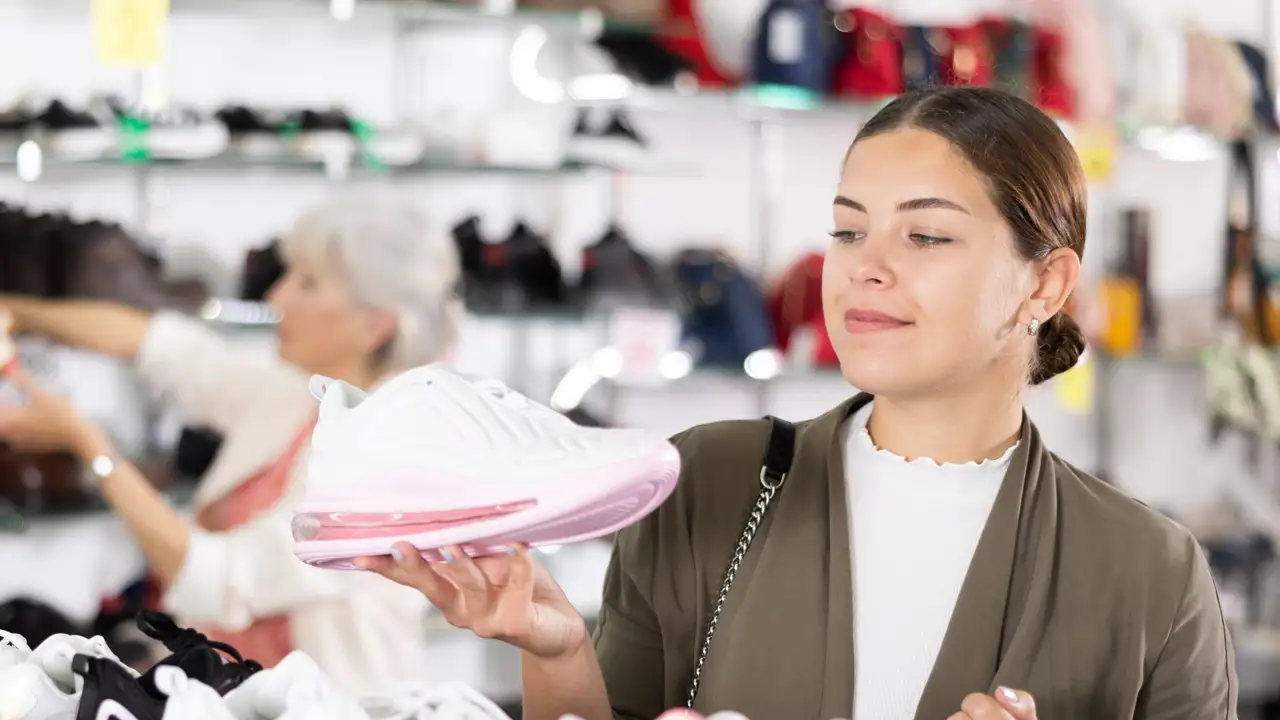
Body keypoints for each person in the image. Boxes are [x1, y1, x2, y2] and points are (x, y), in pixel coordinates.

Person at [357, 86, 1238, 720]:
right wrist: (555, 648)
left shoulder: (1147, 573)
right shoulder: (709, 480)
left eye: (925, 235)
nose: (863, 266)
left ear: (1045, 282)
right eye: (849, 230)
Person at [0, 195, 464, 696]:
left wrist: (88, 444)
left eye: (306, 282)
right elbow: (161, 344)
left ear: (375, 324)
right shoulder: (298, 394)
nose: (277, 296)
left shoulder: (382, 470)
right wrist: (17, 312)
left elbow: (217, 581)